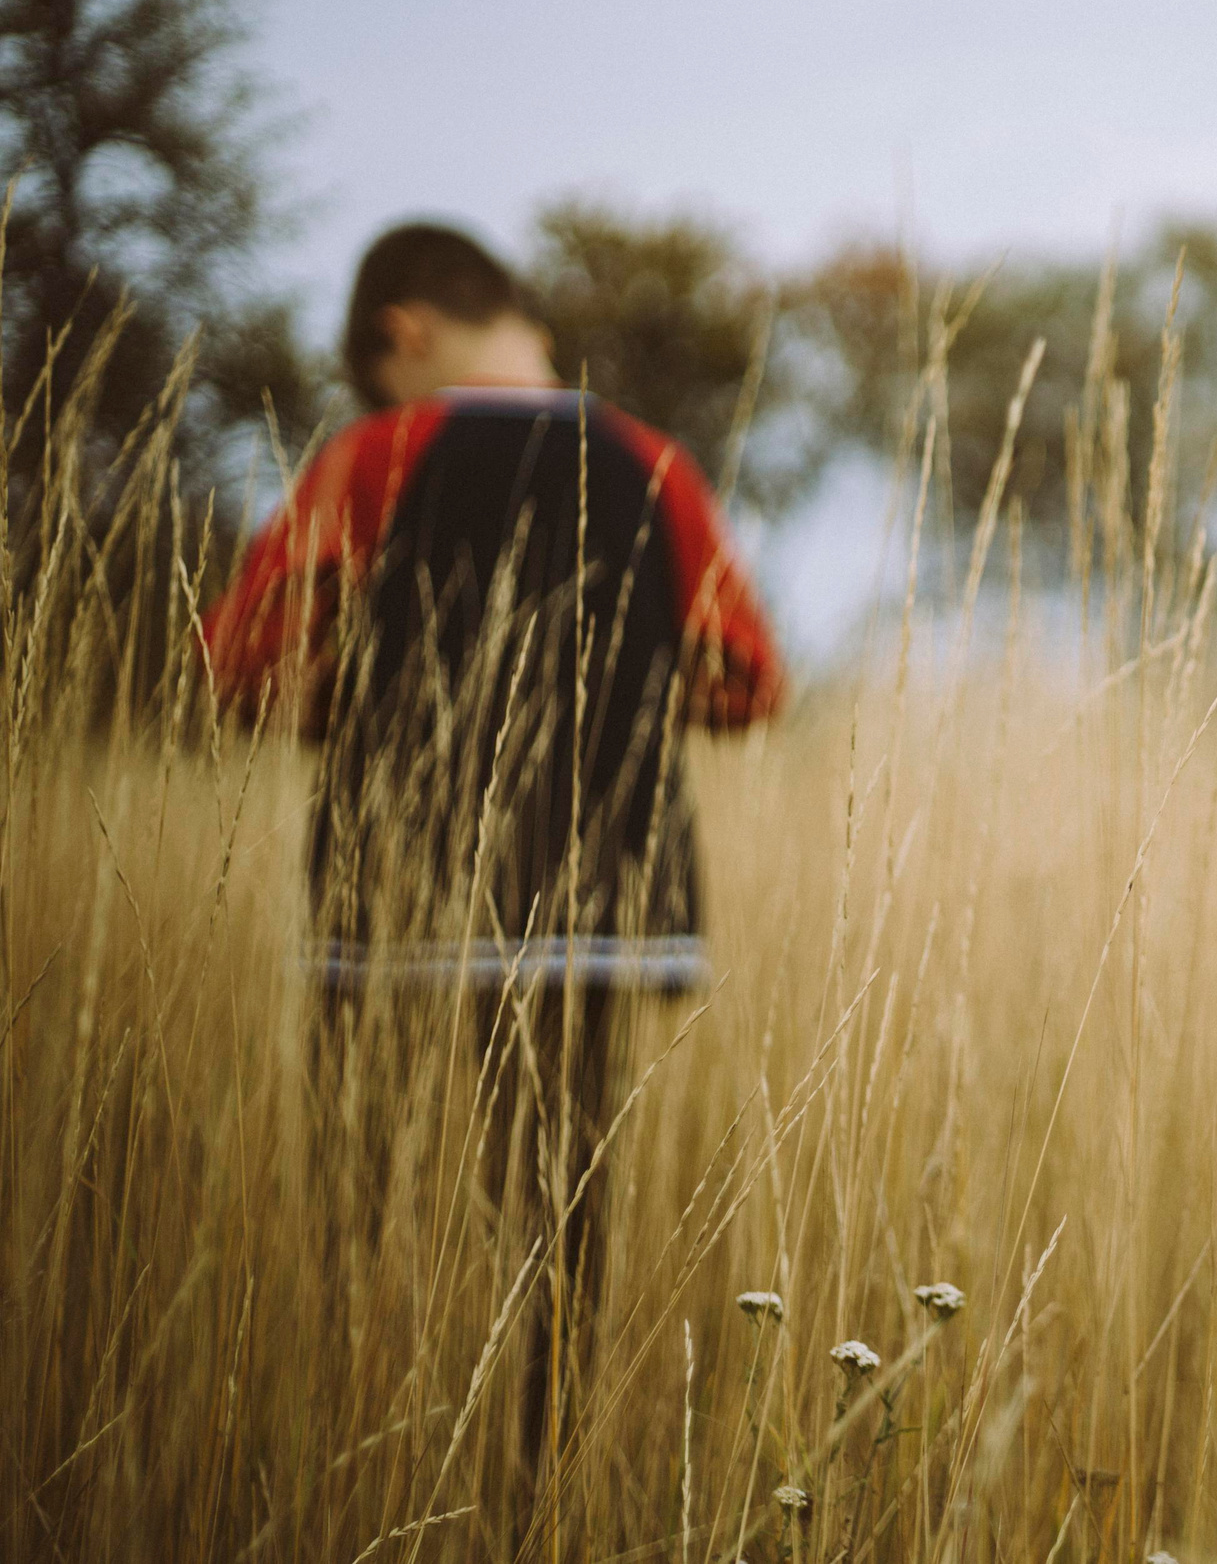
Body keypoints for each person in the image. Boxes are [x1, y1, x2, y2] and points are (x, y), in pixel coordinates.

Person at [203, 222, 784, 1481]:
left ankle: (365, 1473)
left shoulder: (377, 453)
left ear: (400, 335)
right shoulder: (646, 461)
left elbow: (240, 663)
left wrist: (350, 697)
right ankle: (541, 1486)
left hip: (394, 900)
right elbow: (745, 681)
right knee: (559, 1220)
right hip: (594, 906)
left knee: (373, 1213)